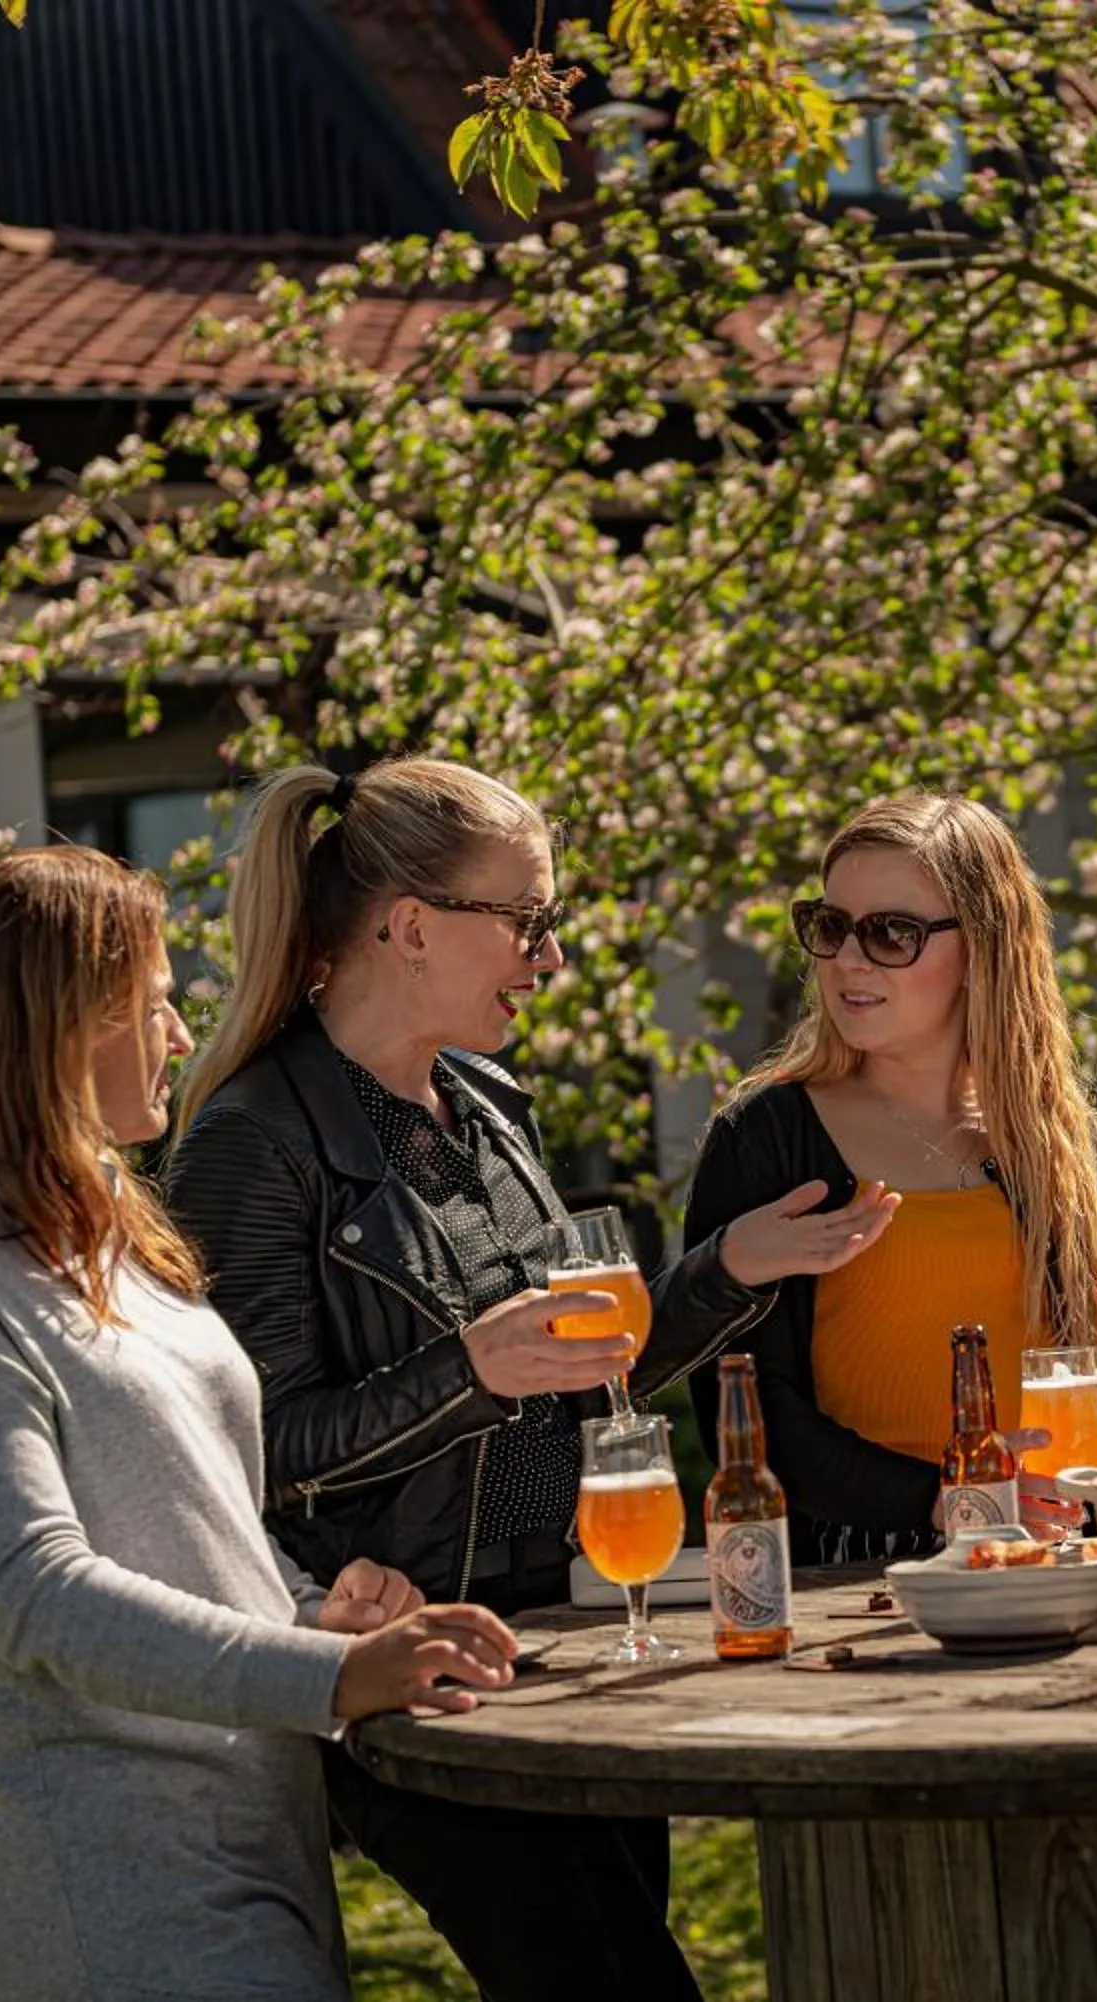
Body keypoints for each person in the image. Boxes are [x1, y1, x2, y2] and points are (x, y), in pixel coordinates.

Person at [0, 848, 516, 2002]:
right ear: (56, 1025)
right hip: (102, 1899)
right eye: (153, 1003)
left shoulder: (114, 1246)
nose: (182, 1034)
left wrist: (307, 1606)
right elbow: (36, 1594)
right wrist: (332, 1672)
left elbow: (194, 1523)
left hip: (249, 1859)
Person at [162, 758, 712, 2002]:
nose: (550, 956)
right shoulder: (253, 1142)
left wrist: (732, 1272)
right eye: (527, 919)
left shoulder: (488, 1103)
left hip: (569, 1631)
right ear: (410, 927)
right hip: (420, 1665)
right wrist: (468, 1372)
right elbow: (251, 1452)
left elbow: (574, 1356)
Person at [656, 793, 1097, 1562]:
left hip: (1084, 1554)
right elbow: (748, 1411)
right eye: (831, 926)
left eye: (892, 933)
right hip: (869, 1577)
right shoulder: (765, 1138)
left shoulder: (1050, 1130)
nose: (849, 960)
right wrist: (945, 1498)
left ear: (983, 946)